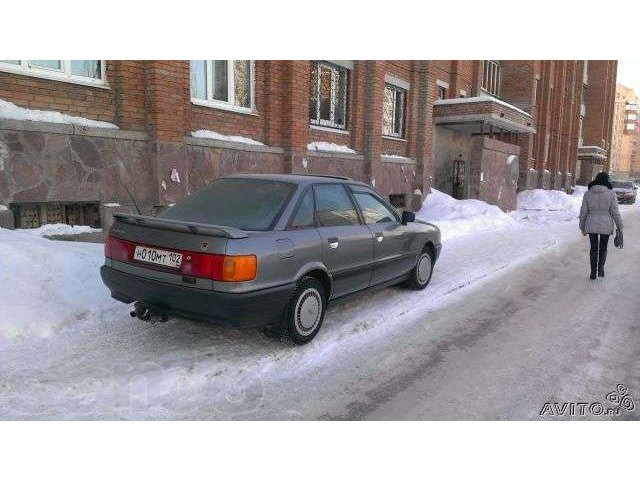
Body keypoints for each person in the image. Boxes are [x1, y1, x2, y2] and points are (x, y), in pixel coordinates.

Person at [579, 172, 623, 280]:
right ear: (606, 180)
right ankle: (601, 269)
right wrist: (620, 226)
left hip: (591, 223)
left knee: (593, 248)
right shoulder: (611, 193)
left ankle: (593, 272)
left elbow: (583, 212)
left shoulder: (588, 193)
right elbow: (615, 212)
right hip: (606, 224)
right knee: (603, 247)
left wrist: (582, 226)